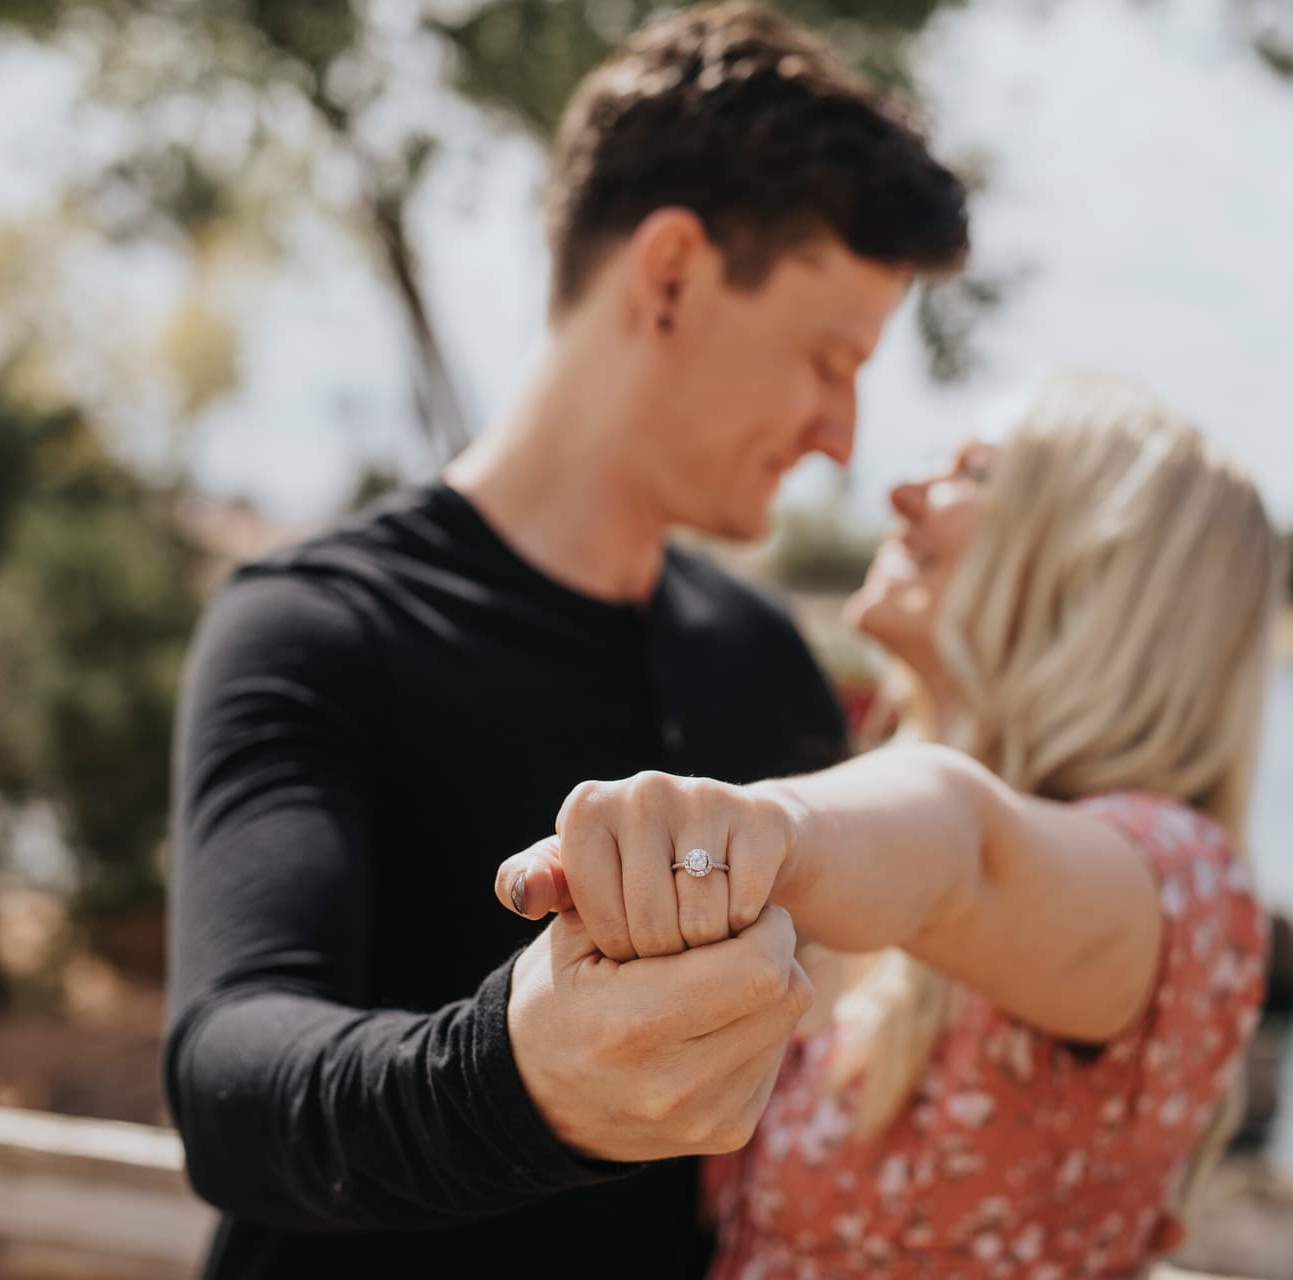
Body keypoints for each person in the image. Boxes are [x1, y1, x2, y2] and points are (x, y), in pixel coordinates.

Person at [162, 6, 968, 1277]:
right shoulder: (314, 624)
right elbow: (227, 1075)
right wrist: (514, 1077)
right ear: (671, 276)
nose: (842, 436)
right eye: (829, 358)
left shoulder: (765, 661)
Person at [497, 370, 1281, 1277]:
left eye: (974, 472)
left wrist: (762, 827)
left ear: (1111, 568)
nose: (902, 491)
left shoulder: (1180, 877)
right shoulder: (889, 834)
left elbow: (964, 846)